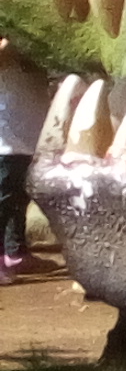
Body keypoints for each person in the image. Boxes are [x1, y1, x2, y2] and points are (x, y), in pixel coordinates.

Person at [0, 44, 46, 279]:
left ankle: (15, 252)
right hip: (5, 147)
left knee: (17, 202)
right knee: (3, 204)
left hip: (26, 145)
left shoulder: (32, 63)